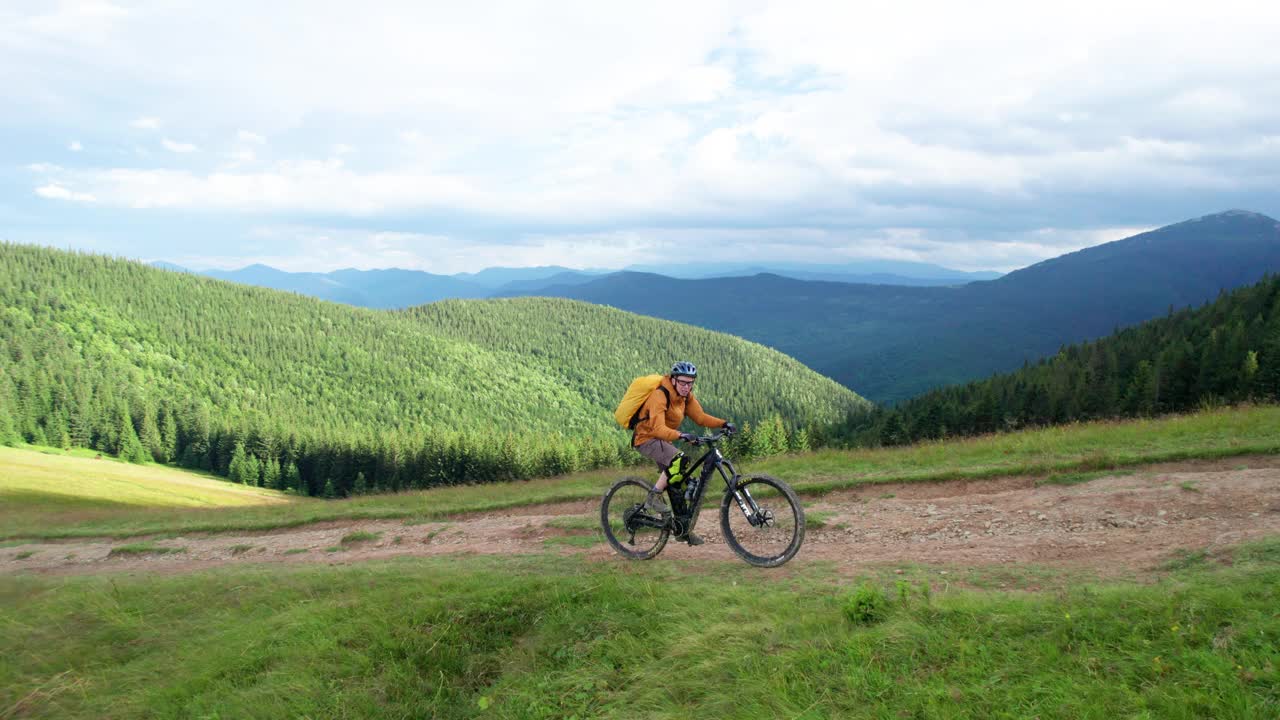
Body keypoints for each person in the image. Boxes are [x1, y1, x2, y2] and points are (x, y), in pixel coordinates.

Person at [632, 361, 735, 545]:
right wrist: (682, 435)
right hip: (646, 438)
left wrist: (723, 423)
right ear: (673, 380)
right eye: (682, 382)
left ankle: (683, 530)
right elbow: (657, 429)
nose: (686, 387)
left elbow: (701, 417)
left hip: (664, 439)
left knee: (678, 482)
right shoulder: (659, 395)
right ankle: (653, 497)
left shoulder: (686, 397)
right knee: (679, 459)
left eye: (690, 383)